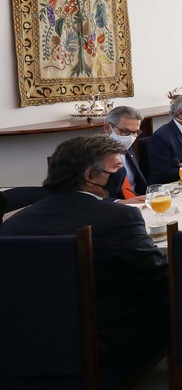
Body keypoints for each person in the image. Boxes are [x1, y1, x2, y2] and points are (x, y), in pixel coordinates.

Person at [1, 135, 168, 371]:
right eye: (116, 169)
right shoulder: (117, 218)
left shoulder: (14, 222)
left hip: (21, 341)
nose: (120, 175)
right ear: (90, 176)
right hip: (103, 341)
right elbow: (155, 278)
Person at [103, 105, 147, 203]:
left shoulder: (128, 148)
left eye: (135, 132)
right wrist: (120, 202)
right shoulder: (94, 154)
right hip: (113, 210)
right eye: (125, 131)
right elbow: (88, 198)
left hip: (139, 203)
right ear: (107, 128)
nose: (130, 137)